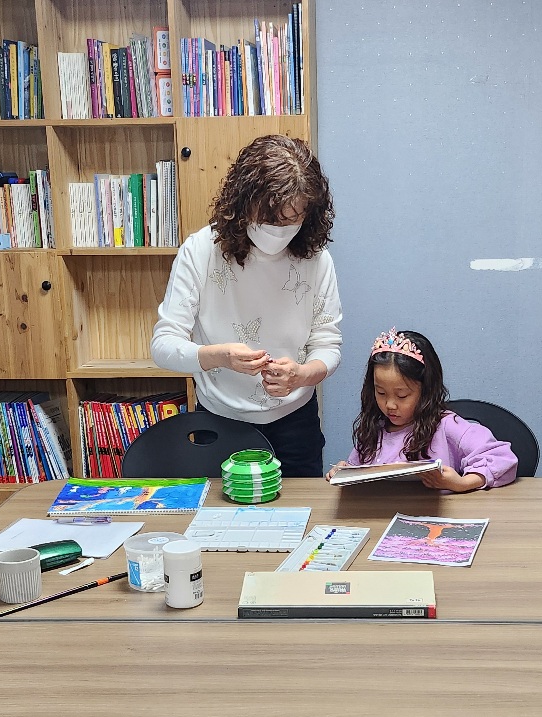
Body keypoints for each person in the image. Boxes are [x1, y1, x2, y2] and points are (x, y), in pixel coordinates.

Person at [150, 134, 341, 477]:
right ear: (243, 203)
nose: (280, 230)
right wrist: (219, 356)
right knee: (219, 510)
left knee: (301, 507)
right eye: (271, 219)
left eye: (293, 219)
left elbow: (328, 345)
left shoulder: (316, 258)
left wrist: (302, 375)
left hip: (295, 423)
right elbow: (163, 346)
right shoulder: (201, 251)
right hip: (220, 422)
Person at [329, 329, 518, 492]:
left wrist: (461, 483)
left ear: (426, 390)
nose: (390, 405)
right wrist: (344, 471)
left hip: (431, 518)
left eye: (402, 395)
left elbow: (502, 458)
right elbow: (357, 473)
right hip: (380, 518)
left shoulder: (445, 426)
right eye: (381, 393)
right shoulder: (374, 430)